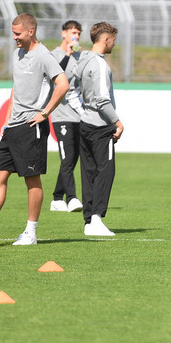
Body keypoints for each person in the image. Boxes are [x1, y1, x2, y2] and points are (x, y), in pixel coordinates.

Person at [0, 14, 68, 246]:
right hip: (13, 127)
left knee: (32, 179)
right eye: (13, 33)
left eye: (18, 33)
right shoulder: (18, 53)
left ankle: (30, 233)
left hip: (32, 126)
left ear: (31, 31)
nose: (14, 37)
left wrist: (45, 112)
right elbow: (16, 87)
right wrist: (7, 119)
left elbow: (63, 84)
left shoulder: (44, 56)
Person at [71, 22, 124, 236]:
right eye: (113, 39)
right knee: (106, 171)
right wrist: (117, 122)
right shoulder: (100, 64)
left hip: (85, 124)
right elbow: (102, 100)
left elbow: (70, 91)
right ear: (105, 39)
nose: (113, 43)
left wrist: (82, 112)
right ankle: (96, 219)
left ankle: (89, 221)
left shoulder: (82, 60)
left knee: (89, 171)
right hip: (101, 126)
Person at [49, 20, 85, 213]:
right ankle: (71, 198)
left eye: (78, 33)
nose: (76, 36)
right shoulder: (54, 55)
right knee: (67, 156)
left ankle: (56, 197)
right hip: (61, 115)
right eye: (73, 32)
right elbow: (56, 79)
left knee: (72, 159)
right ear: (64, 33)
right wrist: (68, 54)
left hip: (78, 114)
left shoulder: (79, 55)